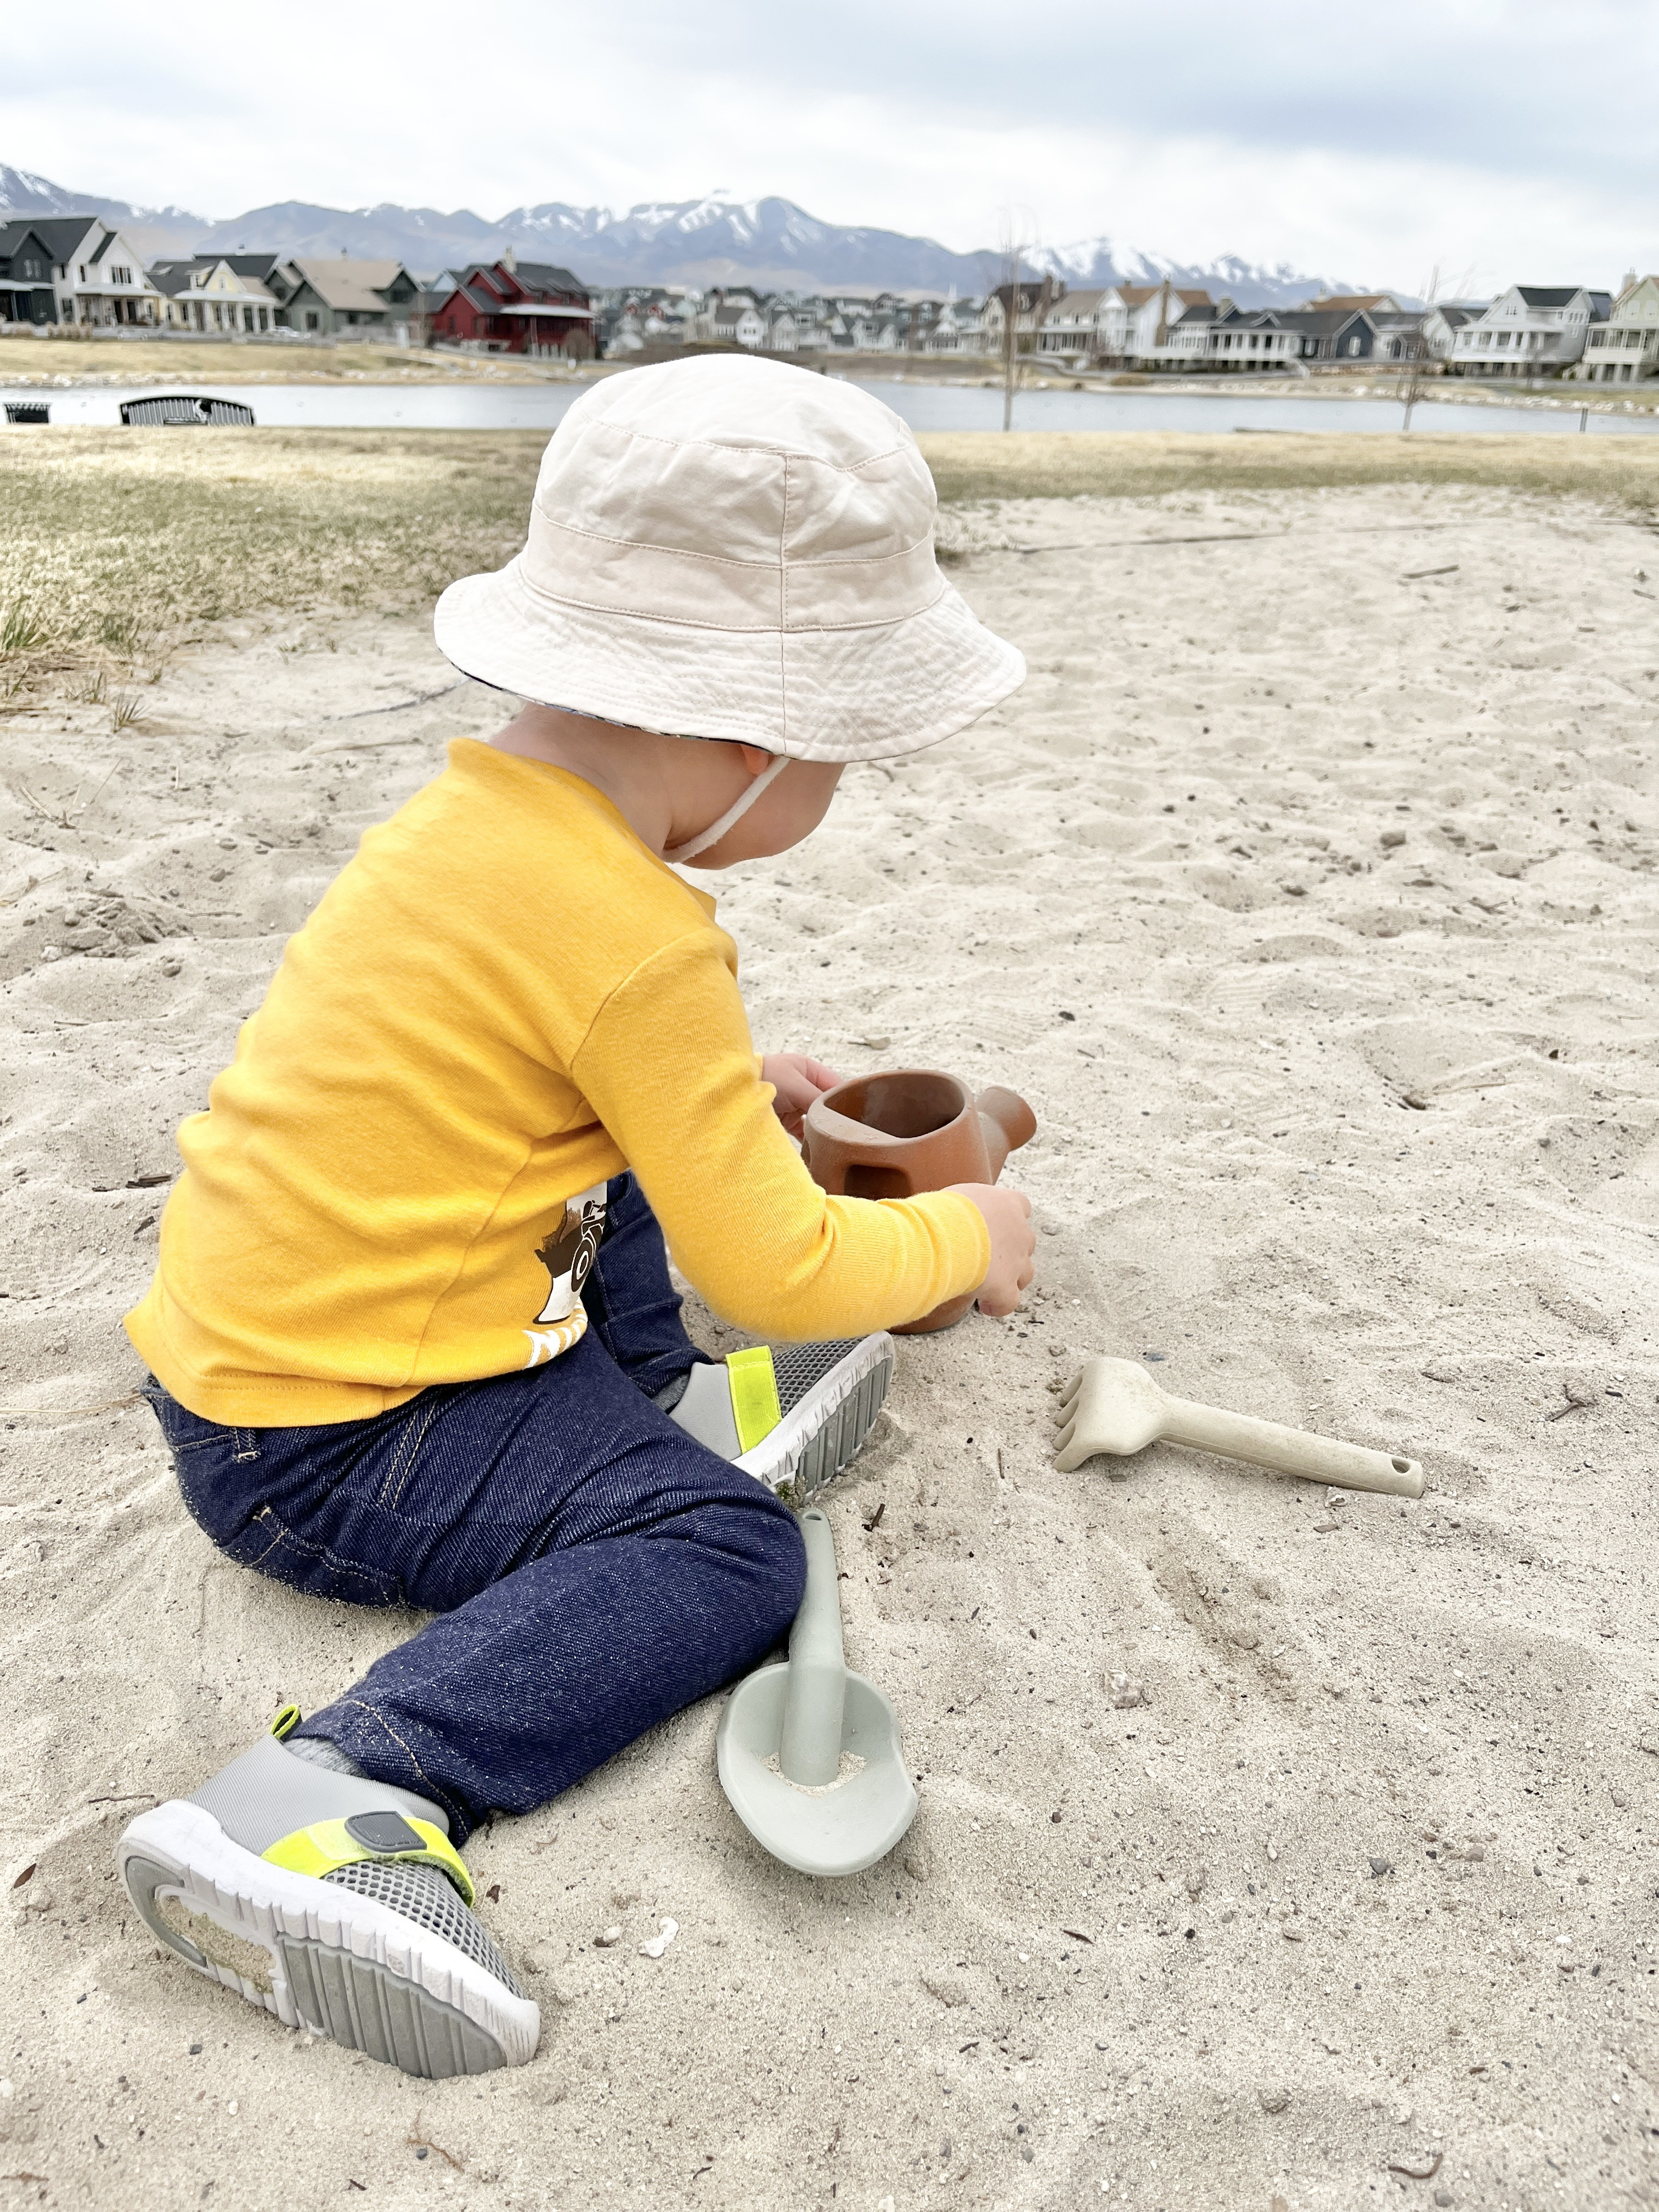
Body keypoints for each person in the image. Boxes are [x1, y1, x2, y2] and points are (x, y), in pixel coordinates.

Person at [115, 356, 1035, 2080]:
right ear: (753, 736)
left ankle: (654, 1418)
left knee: (602, 1184)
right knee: (728, 1555)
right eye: (844, 748)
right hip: (331, 1444)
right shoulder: (634, 935)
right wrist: (970, 1241)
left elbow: (509, 1083)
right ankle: (335, 1798)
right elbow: (781, 1264)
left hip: (257, 1357)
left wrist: (717, 1090)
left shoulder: (475, 829)